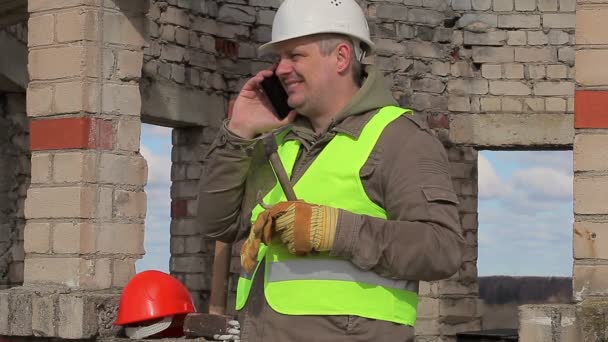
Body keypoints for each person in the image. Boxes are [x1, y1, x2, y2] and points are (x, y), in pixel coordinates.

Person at [197, 0, 465, 341]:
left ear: (340, 57)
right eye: (279, 58)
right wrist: (238, 134)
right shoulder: (279, 143)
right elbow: (216, 223)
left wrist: (339, 231)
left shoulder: (401, 139)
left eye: (295, 56)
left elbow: (442, 250)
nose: (280, 69)